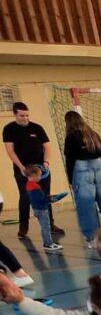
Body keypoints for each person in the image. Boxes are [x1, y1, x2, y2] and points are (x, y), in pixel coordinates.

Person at [3, 102, 62, 240]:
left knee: (45, 196)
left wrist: (46, 163)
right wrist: (21, 167)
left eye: (27, 115)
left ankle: (50, 224)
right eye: (22, 115)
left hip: (41, 170)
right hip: (23, 171)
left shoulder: (37, 128)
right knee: (25, 197)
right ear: (15, 114)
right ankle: (23, 226)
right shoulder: (9, 129)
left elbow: (47, 147)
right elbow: (10, 151)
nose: (25, 118)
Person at [63, 110, 101, 246]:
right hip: (100, 167)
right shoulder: (93, 134)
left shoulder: (71, 137)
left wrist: (72, 179)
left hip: (81, 170)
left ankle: (93, 238)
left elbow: (70, 159)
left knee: (86, 205)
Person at [22, 165, 63, 253]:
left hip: (36, 209)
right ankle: (49, 244)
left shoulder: (28, 185)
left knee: (44, 226)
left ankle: (47, 243)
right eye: (39, 175)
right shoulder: (35, 186)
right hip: (41, 209)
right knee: (46, 227)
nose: (40, 177)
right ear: (34, 175)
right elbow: (41, 199)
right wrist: (50, 199)